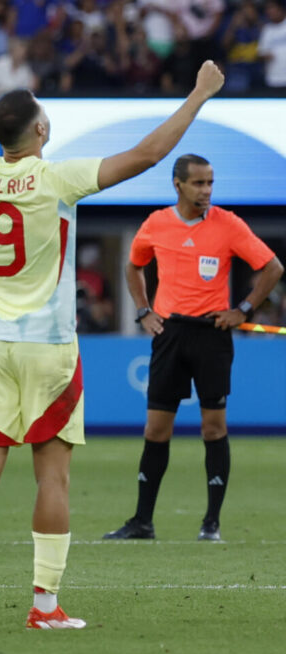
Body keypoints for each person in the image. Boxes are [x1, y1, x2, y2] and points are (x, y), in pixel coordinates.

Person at [0, 61, 226, 631]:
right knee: (52, 478)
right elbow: (147, 154)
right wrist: (199, 94)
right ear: (39, 130)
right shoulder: (57, 179)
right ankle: (44, 606)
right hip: (49, 348)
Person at [102, 154, 283, 543]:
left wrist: (243, 310)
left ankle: (211, 524)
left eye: (210, 183)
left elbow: (273, 267)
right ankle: (142, 522)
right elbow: (133, 266)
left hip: (211, 335)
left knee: (213, 426)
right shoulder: (157, 223)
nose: (207, 190)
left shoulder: (228, 224)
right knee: (156, 429)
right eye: (199, 183)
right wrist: (143, 311)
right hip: (169, 334)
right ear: (178, 185)